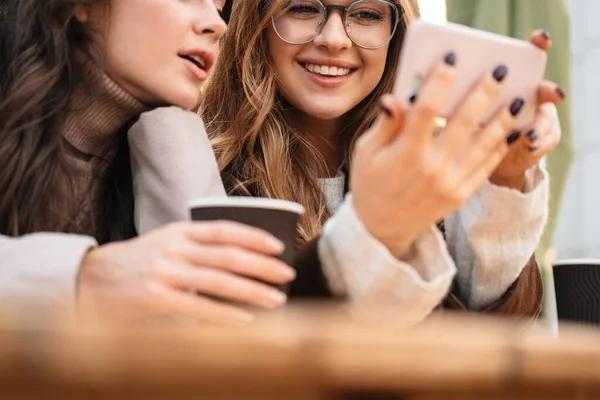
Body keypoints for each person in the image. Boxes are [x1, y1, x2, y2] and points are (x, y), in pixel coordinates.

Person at [129, 0, 564, 325]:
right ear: (255, 23)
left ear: (398, 34)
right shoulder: (201, 170)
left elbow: (491, 333)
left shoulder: (434, 172)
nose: (334, 39)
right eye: (302, 7)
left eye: (367, 14)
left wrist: (506, 180)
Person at [0, 0, 298, 325]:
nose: (217, 23)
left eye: (219, 5)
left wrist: (173, 132)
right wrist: (85, 277)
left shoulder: (161, 142)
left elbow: (199, 332)